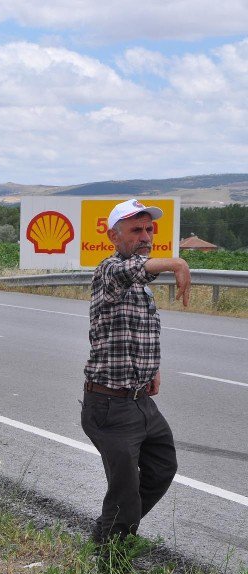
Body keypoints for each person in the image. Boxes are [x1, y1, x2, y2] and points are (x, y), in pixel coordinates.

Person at [81, 198, 191, 548]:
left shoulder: (142, 288)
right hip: (109, 404)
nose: (145, 236)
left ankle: (109, 530)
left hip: (141, 401)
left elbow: (141, 331)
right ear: (114, 236)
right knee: (125, 494)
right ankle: (108, 564)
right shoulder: (109, 271)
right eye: (136, 230)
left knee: (162, 468)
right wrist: (177, 261)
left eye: (149, 229)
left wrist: (152, 369)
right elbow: (132, 270)